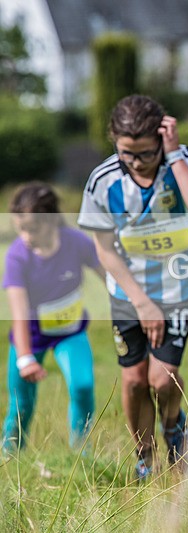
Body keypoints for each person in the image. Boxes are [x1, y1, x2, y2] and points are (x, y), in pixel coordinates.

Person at [78, 94, 188, 480]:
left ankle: (174, 429)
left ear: (162, 137)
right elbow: (104, 252)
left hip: (177, 290)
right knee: (135, 379)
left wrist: (172, 157)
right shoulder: (103, 181)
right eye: (127, 153)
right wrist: (141, 302)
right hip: (128, 293)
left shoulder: (183, 161)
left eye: (145, 153)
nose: (137, 162)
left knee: (162, 378)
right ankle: (145, 455)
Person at [2, 182, 104, 454]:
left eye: (32, 229)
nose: (26, 236)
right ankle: (10, 457)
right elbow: (19, 314)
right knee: (21, 404)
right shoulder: (16, 256)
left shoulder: (76, 242)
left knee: (83, 386)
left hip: (70, 333)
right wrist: (25, 359)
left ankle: (81, 453)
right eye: (20, 228)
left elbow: (110, 276)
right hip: (30, 338)